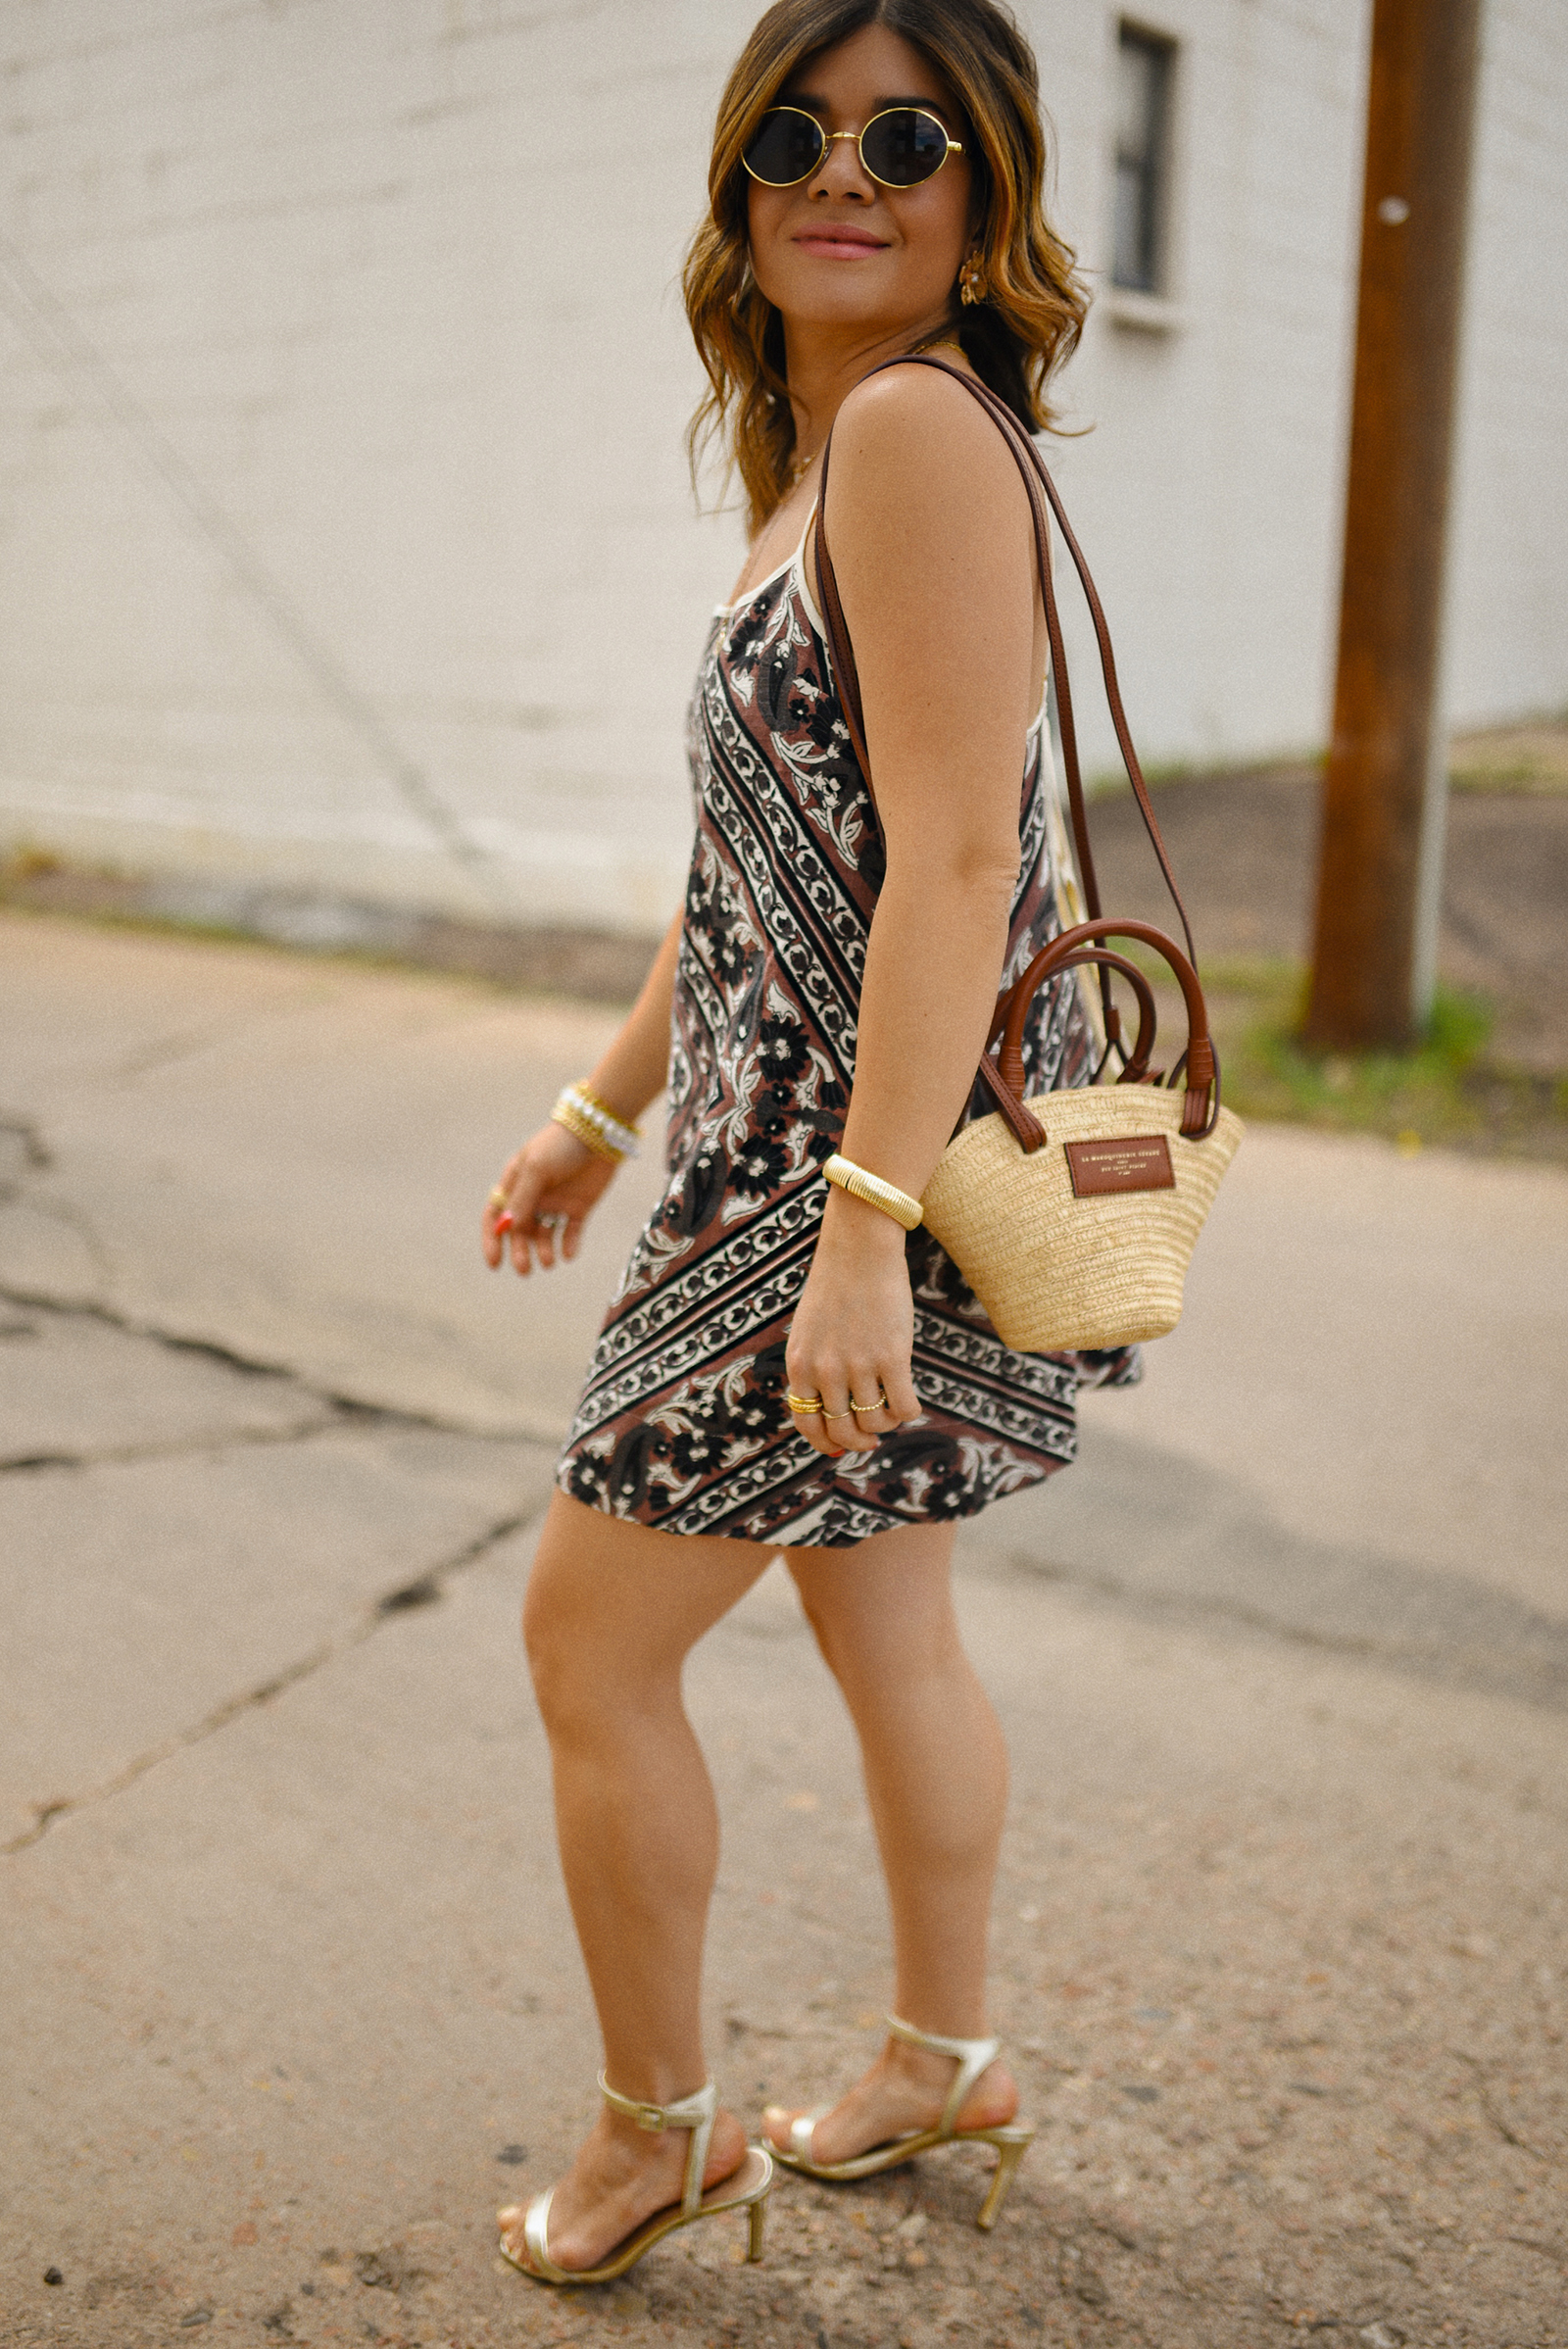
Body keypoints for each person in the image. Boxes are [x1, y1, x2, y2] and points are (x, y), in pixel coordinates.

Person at [480, 0, 1139, 2288]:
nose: (839, 169)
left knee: (587, 1646)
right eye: (793, 129)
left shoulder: (915, 441)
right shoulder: (830, 451)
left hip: (829, 1192)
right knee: (889, 1634)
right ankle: (944, 2053)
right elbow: (765, 865)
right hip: (794, 1161)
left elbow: (959, 868)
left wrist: (854, 1233)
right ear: (738, 181)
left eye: (903, 137)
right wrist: (596, 1103)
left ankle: (655, 2128)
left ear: (984, 195)